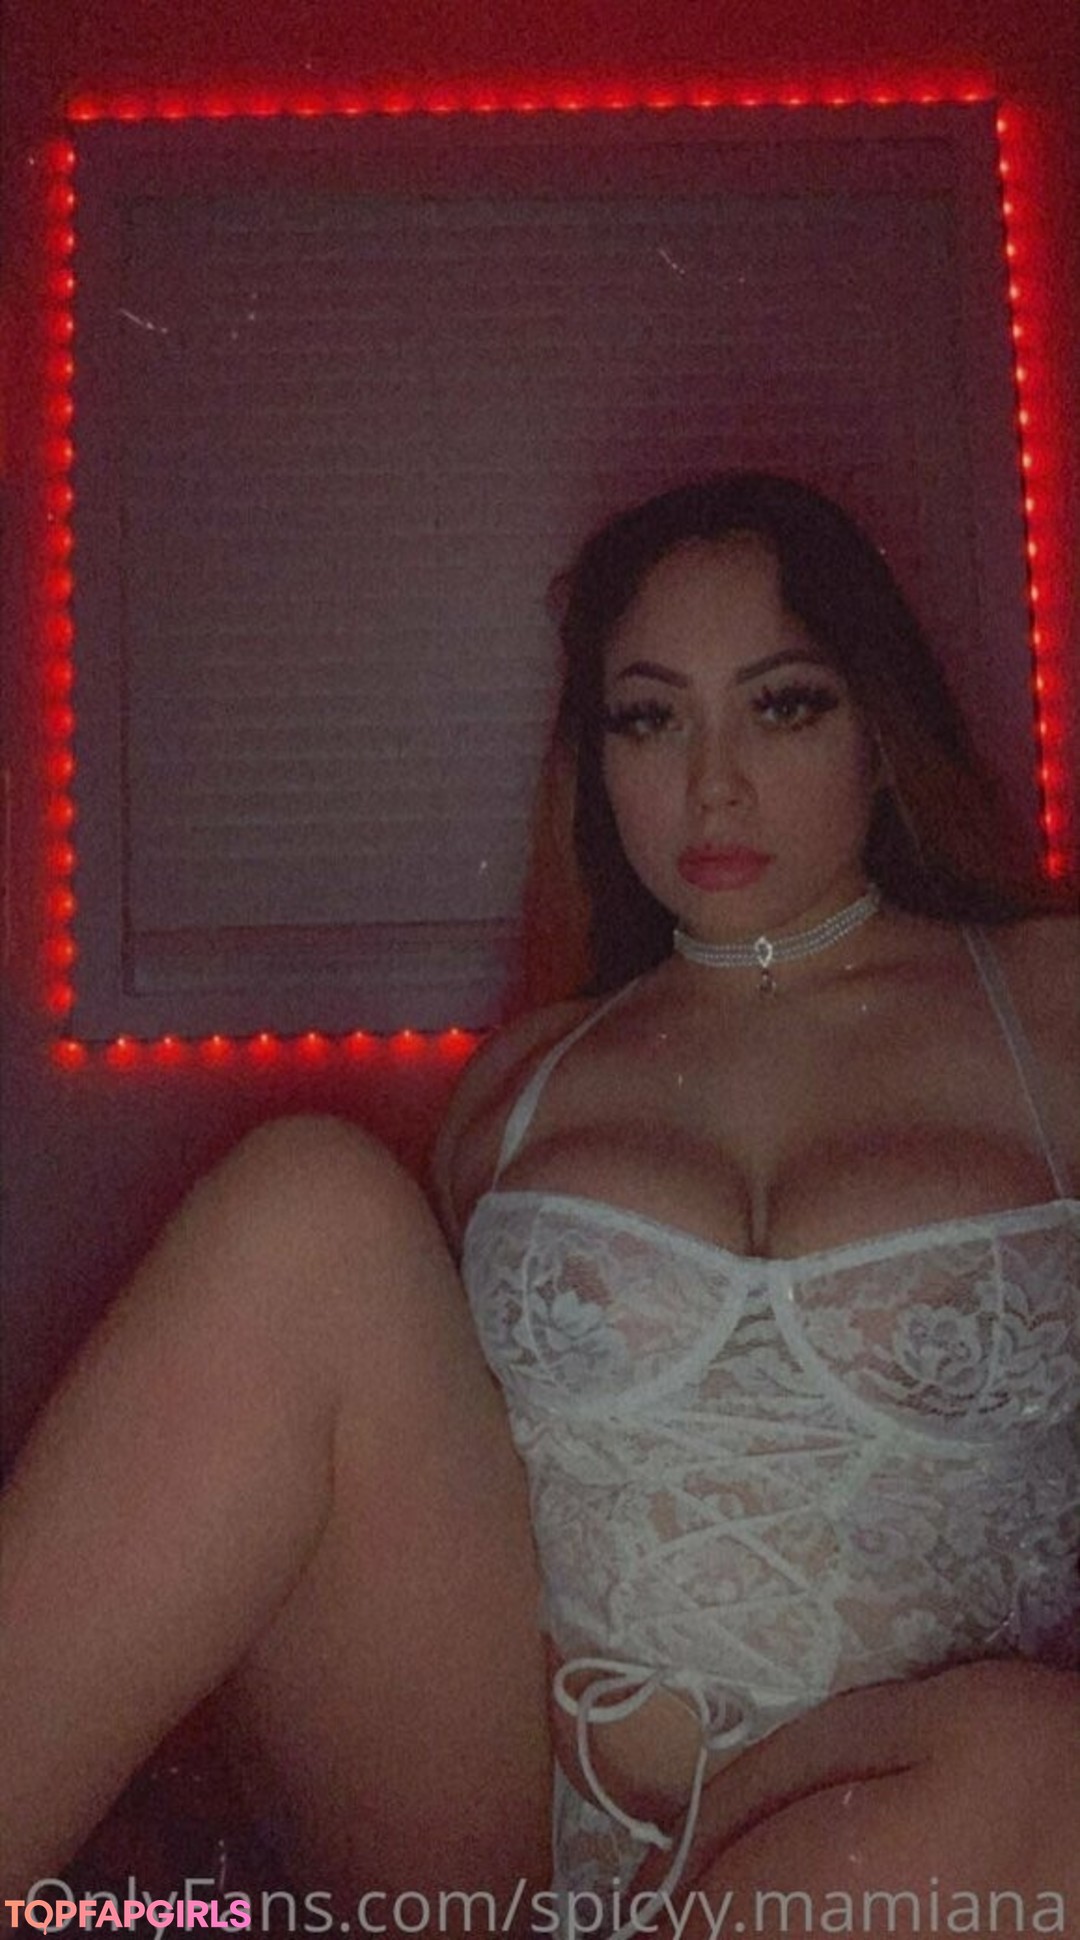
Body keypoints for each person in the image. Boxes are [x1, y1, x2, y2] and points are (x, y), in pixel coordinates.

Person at [1, 471, 1077, 1936]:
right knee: (307, 1206)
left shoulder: (1047, 1004)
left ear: (882, 734)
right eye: (649, 719)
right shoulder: (525, 1082)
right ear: (595, 760)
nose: (713, 784)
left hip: (913, 1841)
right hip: (520, 1831)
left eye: (781, 706)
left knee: (1036, 1760)